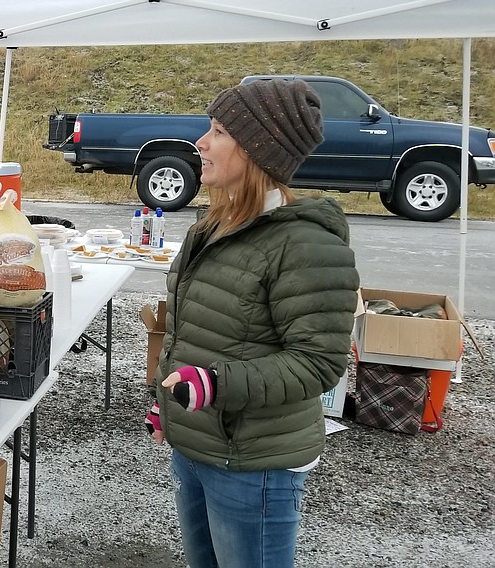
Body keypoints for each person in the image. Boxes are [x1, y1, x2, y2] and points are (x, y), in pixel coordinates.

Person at [143, 79, 359, 568]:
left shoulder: (306, 246)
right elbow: (191, 331)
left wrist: (213, 385)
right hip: (197, 443)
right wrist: (168, 404)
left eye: (217, 131)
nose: (201, 143)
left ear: (256, 150)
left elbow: (319, 363)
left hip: (254, 464)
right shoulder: (212, 225)